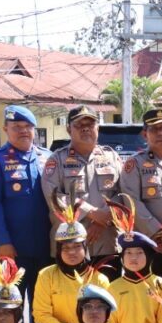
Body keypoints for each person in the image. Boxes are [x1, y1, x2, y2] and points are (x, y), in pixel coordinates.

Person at [0, 104, 52, 321]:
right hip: (13, 248)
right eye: (16, 127)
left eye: (27, 126)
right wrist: (2, 242)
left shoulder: (47, 158)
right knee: (11, 305)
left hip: (46, 246)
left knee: (43, 306)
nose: (23, 131)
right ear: (6, 129)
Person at [118, 108, 162, 294]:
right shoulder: (134, 164)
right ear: (145, 134)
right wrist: (159, 233)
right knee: (147, 296)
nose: (161, 133)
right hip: (146, 245)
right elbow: (131, 201)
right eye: (154, 129)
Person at [41, 105, 122, 263]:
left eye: (90, 124)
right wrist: (91, 212)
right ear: (69, 129)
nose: (85, 129)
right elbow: (54, 197)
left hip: (107, 243)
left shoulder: (111, 156)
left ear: (97, 127)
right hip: (70, 246)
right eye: (79, 125)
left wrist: (103, 220)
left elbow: (123, 194)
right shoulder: (57, 160)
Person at [31, 209, 111, 323]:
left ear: (85, 247)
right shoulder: (46, 275)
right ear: (58, 250)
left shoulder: (99, 279)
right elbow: (41, 315)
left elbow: (109, 316)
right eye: (66, 248)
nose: (72, 252)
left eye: (77, 247)